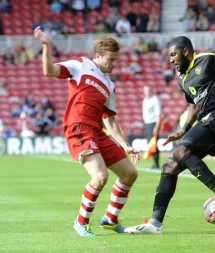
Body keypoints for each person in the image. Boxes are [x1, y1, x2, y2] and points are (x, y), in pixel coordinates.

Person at [125, 36, 215, 234]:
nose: (171, 60)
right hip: (208, 121)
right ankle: (155, 224)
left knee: (180, 151)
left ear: (185, 51)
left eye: (173, 55)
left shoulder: (208, 59)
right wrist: (184, 130)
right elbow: (195, 105)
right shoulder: (182, 78)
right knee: (169, 166)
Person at [33, 26, 139, 236]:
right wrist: (46, 45)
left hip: (98, 132)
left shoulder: (109, 85)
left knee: (129, 174)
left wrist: (125, 145)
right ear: (98, 56)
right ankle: (81, 222)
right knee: (100, 177)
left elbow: (110, 119)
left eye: (116, 60)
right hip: (78, 127)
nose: (114, 64)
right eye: (111, 59)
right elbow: (50, 70)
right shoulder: (81, 65)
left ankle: (110, 218)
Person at [142, 85, 162, 169]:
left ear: (151, 90)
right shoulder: (145, 100)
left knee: (153, 144)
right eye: (145, 90)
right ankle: (155, 163)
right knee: (151, 144)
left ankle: (156, 164)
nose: (146, 92)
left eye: (148, 90)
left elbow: (158, 114)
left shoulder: (155, 100)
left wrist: (156, 127)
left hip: (153, 123)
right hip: (147, 123)